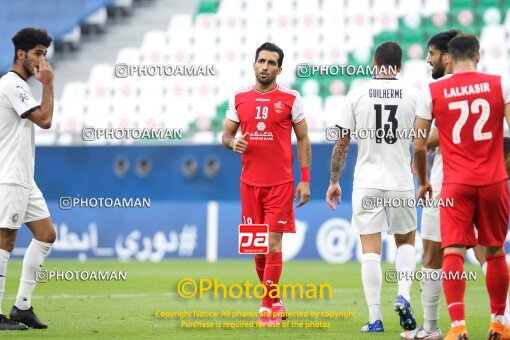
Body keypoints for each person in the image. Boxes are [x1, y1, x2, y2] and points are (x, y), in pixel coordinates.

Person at [414, 34, 510, 339]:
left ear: (449, 59)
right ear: (478, 56)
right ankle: (499, 323)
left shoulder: (432, 90)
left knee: (452, 251)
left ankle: (457, 327)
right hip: (494, 182)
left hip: (455, 184)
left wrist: (424, 180)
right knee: (495, 252)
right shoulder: (499, 84)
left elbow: (418, 145)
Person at [327, 42, 418, 333]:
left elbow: (341, 143)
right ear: (400, 67)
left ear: (373, 63)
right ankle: (403, 294)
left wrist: (334, 181)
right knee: (406, 242)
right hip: (401, 181)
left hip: (366, 181)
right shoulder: (414, 95)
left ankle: (375, 319)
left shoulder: (356, 95)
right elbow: (422, 138)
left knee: (370, 250)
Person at [221, 42, 311, 326]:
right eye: (261, 61)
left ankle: (265, 308)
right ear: (254, 64)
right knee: (258, 247)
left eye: (272, 63)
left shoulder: (291, 98)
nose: (265, 67)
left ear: (279, 69)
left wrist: (305, 180)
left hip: (280, 183)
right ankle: (275, 300)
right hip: (249, 183)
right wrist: (232, 142)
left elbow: (304, 139)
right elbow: (225, 135)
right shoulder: (238, 98)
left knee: (273, 241)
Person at [0, 27, 56, 330]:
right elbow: (45, 120)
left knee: (46, 234)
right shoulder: (12, 84)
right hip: (9, 175)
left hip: (23, 177)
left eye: (45, 55)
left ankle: (22, 307)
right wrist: (49, 84)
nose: (41, 62)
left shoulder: (20, 86)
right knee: (5, 240)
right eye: (37, 54)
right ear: (20, 54)